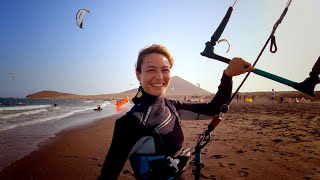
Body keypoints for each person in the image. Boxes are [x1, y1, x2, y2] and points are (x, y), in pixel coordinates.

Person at [98, 44, 254, 179]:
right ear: (138, 74)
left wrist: (227, 76)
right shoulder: (131, 122)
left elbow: (212, 110)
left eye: (165, 70)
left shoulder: (172, 106)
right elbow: (107, 176)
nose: (159, 77)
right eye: (151, 69)